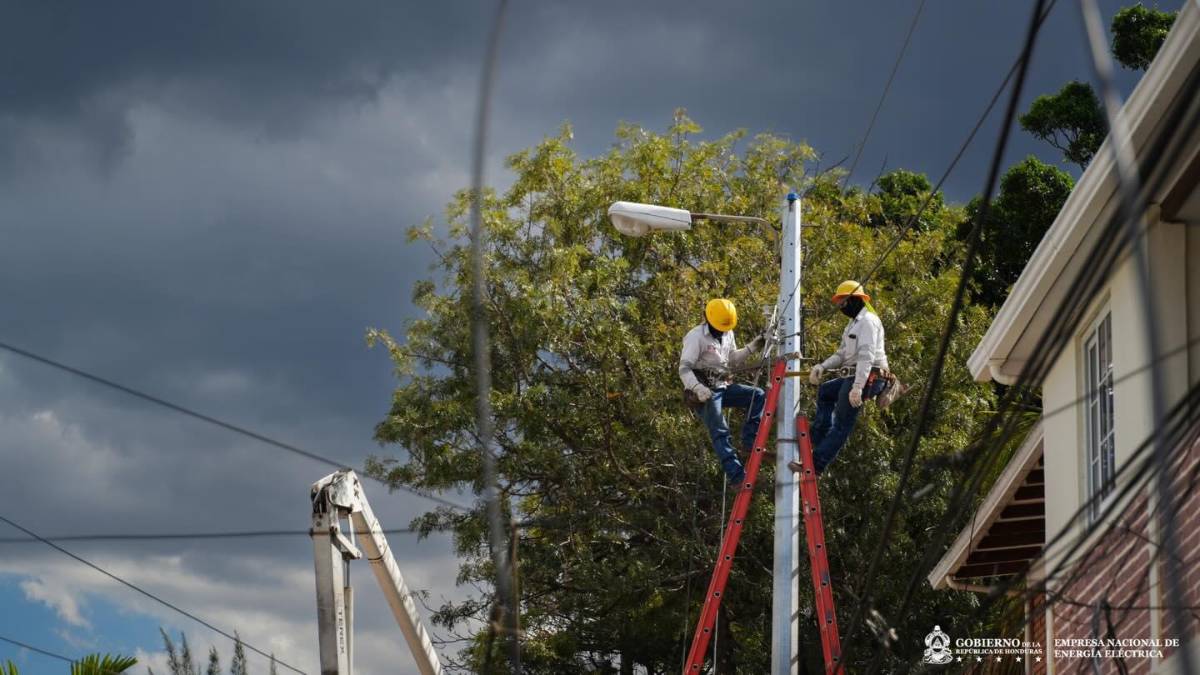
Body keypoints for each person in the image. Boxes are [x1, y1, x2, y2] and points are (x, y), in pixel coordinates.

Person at [803, 281, 890, 475]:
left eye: (843, 303)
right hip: (856, 374)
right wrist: (822, 366)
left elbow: (866, 356)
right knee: (826, 392)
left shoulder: (868, 321)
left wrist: (858, 387)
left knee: (843, 422)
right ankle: (817, 440)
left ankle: (816, 463)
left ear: (854, 300)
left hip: (870, 376)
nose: (841, 308)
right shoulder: (853, 324)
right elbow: (842, 354)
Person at [679, 298, 766, 486]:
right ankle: (737, 477)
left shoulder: (727, 332)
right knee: (720, 430)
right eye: (719, 327)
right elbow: (684, 368)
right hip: (704, 391)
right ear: (708, 319)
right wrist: (697, 388)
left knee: (757, 395)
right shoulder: (696, 337)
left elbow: (732, 359)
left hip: (722, 386)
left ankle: (749, 442)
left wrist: (752, 347)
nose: (721, 331)